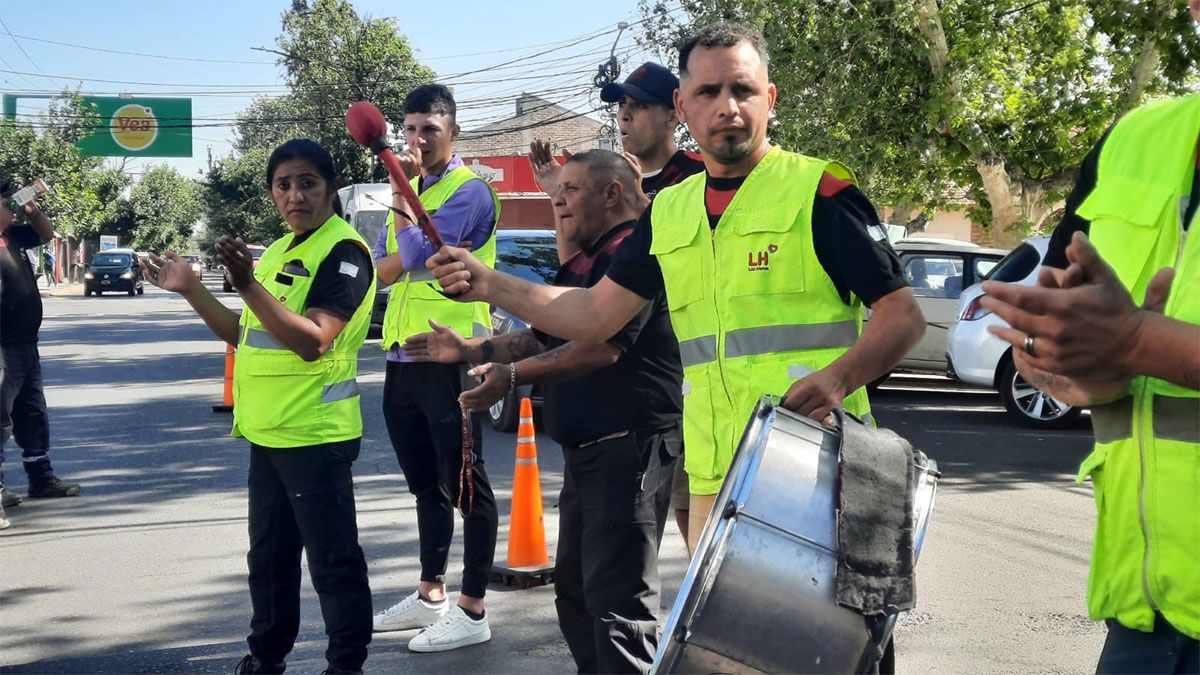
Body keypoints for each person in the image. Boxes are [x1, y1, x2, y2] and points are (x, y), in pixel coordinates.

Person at [428, 21, 923, 549]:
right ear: (683, 107)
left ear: (770, 98)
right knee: (723, 633)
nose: (727, 106)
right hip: (713, 474)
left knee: (835, 632)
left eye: (743, 90)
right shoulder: (670, 210)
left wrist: (837, 378)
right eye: (708, 92)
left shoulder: (819, 191)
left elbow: (903, 316)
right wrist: (489, 284)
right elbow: (595, 314)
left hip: (819, 464)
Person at [405, 150, 682, 673]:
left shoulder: (632, 255)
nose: (558, 200)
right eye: (556, 190)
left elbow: (601, 345)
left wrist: (510, 377)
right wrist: (473, 351)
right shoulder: (584, 259)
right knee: (576, 595)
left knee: (619, 609)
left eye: (571, 189)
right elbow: (545, 335)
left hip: (630, 447)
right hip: (590, 451)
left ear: (612, 194)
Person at [980, 83, 1200, 672]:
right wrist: (1073, 367)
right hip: (1146, 616)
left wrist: (1138, 342)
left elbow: (1130, 340)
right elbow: (1052, 329)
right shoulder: (1133, 139)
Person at [141, 139, 376, 675]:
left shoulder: (344, 252)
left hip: (315, 437)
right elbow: (241, 333)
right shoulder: (277, 252)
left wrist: (246, 286)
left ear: (331, 188)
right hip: (268, 436)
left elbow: (315, 339)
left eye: (308, 182)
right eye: (283, 184)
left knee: (333, 563)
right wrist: (192, 289)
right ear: (272, 192)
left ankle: (346, 666)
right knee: (268, 562)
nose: (295, 195)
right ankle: (267, 657)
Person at [529, 61, 705, 549]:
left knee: (699, 522)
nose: (625, 117)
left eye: (639, 106)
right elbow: (578, 269)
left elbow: (679, 257)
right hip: (621, 394)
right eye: (622, 107)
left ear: (676, 114)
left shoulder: (696, 176)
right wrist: (559, 200)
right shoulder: (607, 178)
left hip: (688, 378)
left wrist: (639, 199)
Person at [369, 83, 500, 653]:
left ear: (454, 132)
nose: (418, 140)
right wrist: (404, 230)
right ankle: (430, 594)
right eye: (411, 130)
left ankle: (472, 612)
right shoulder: (413, 193)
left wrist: (402, 212)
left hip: (453, 357)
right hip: (401, 357)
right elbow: (381, 268)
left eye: (430, 129)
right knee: (426, 485)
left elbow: (418, 256)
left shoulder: (469, 192)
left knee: (468, 487)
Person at [0, 180, 82, 529]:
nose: (12, 205)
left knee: (32, 413)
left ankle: (41, 478)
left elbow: (46, 233)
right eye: (7, 200)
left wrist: (32, 209)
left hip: (24, 343)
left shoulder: (14, 237)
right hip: (2, 345)